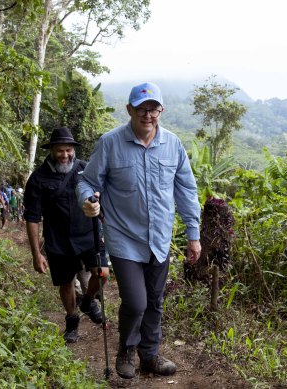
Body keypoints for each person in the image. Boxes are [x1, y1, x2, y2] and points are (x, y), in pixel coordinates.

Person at [77, 82, 202, 379]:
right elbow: (87, 181)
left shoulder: (173, 144)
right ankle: (127, 349)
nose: (148, 115)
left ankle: (150, 355)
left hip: (159, 238)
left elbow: (186, 190)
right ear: (130, 109)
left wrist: (193, 235)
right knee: (136, 301)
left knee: (155, 301)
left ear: (161, 110)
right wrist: (88, 200)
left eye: (153, 109)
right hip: (124, 238)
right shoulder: (110, 143)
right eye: (141, 109)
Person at [24, 126, 110, 343]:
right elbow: (32, 218)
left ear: (73, 150)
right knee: (66, 282)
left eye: (68, 150)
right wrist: (36, 254)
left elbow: (106, 194)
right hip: (58, 239)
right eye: (60, 150)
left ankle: (89, 300)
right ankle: (72, 321)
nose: (65, 155)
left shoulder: (85, 170)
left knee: (103, 274)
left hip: (89, 234)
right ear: (52, 150)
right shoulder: (38, 178)